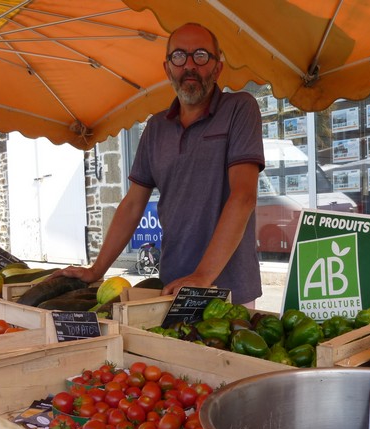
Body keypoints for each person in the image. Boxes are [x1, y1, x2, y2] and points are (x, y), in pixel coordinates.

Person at [50, 23, 265, 307]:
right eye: (179, 56)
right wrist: (96, 269)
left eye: (200, 56)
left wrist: (203, 276)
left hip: (230, 289)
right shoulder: (155, 128)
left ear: (217, 68)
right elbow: (132, 204)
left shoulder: (240, 108)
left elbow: (244, 196)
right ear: (167, 69)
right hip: (172, 287)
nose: (189, 65)